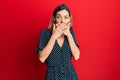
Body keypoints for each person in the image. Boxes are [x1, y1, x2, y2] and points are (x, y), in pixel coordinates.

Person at [36, 4, 80, 80]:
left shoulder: (71, 33)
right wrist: (54, 37)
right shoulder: (45, 33)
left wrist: (69, 35)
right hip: (52, 76)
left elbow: (76, 56)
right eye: (59, 17)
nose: (62, 21)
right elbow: (42, 58)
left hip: (70, 76)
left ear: (69, 19)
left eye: (66, 17)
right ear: (54, 19)